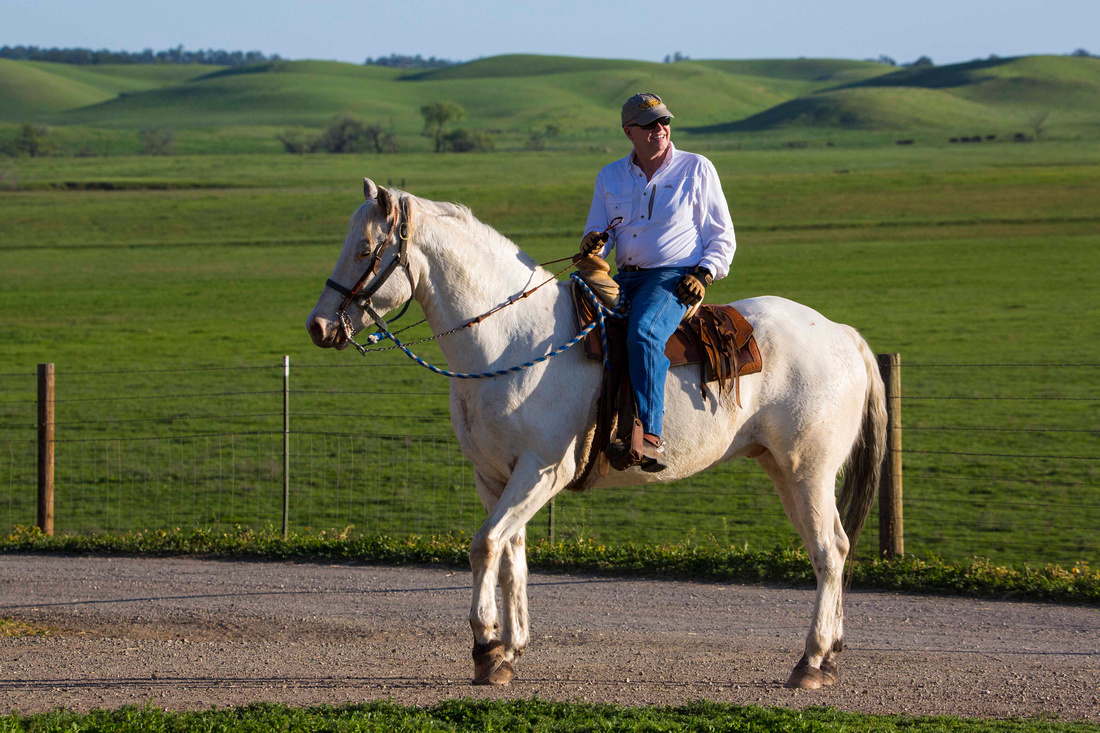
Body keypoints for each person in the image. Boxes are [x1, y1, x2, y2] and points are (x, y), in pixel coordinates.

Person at [580, 92, 736, 471]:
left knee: (645, 333)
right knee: (566, 314)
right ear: (629, 132)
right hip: (622, 278)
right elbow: (596, 238)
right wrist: (592, 246)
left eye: (664, 122)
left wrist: (705, 272)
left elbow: (722, 234)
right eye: (650, 125)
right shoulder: (610, 176)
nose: (661, 129)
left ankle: (650, 436)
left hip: (673, 277)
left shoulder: (696, 168)